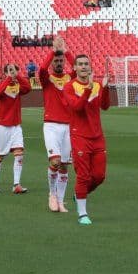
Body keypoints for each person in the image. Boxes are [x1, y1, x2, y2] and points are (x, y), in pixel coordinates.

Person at [63, 55, 110, 225]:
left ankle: (79, 194)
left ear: (90, 67)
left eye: (86, 64)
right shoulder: (69, 87)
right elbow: (77, 107)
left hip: (97, 136)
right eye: (80, 64)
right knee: (83, 175)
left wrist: (105, 88)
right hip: (80, 136)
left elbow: (105, 106)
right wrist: (88, 89)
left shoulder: (97, 85)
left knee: (99, 176)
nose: (84, 67)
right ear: (74, 68)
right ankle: (82, 213)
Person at [39, 36, 76, 213]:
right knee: (55, 161)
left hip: (69, 126)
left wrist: (66, 51)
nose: (59, 63)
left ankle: (61, 201)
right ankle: (52, 194)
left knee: (64, 165)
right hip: (51, 126)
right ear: (52, 62)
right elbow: (40, 69)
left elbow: (78, 67)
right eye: (56, 60)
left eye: (61, 60)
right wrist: (53, 51)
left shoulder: (70, 78)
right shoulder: (47, 79)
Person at [0, 64, 32, 195]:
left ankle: (16, 184)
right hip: (2, 127)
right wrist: (9, 78)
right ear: (5, 73)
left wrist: (18, 76)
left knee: (19, 155)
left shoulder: (18, 87)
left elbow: (28, 88)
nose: (13, 73)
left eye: (14, 71)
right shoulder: (1, 86)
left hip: (16, 127)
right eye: (10, 71)